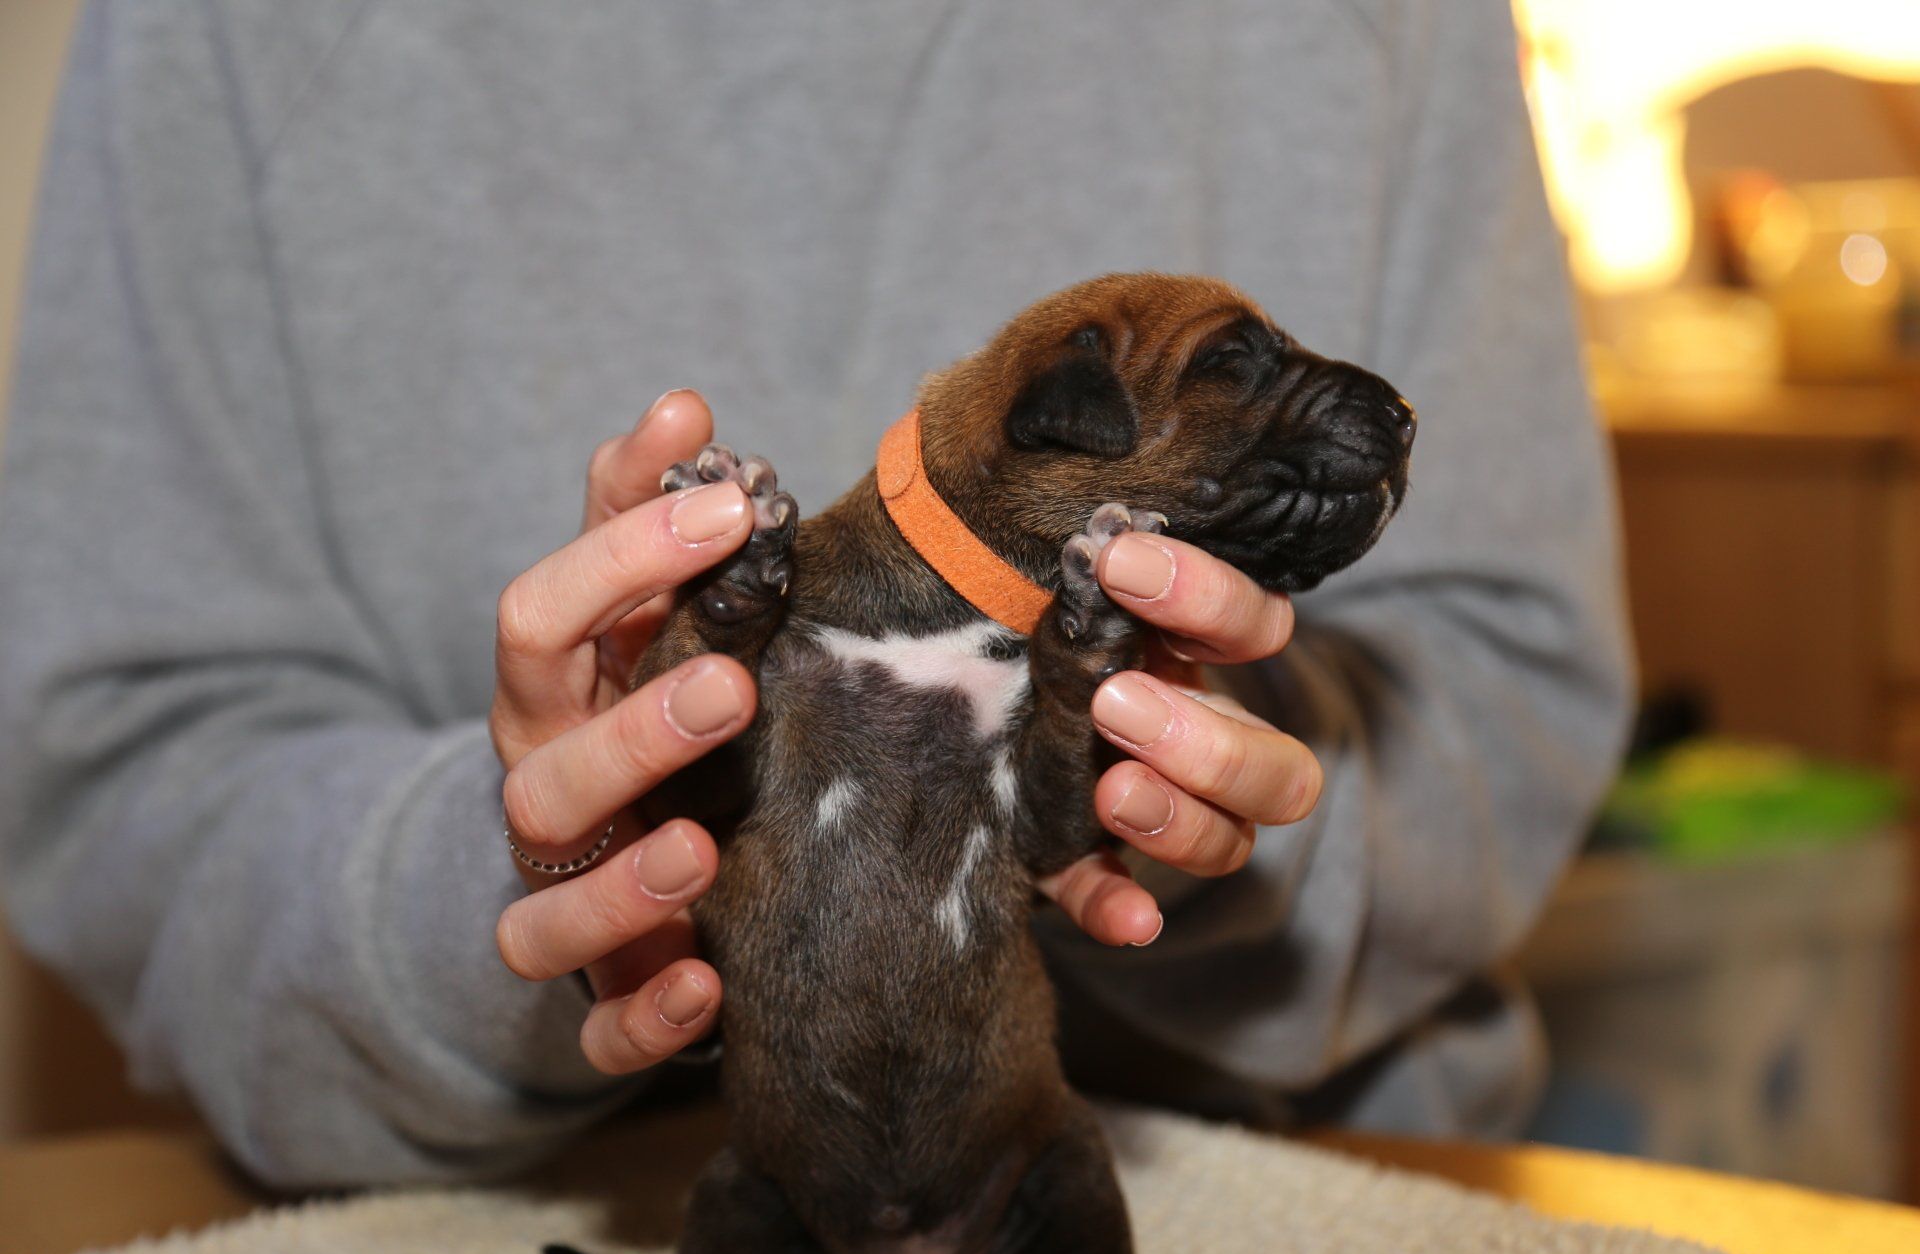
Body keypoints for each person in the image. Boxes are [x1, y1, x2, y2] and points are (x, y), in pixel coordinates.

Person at [0, 0, 1631, 1187]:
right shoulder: (233, 38)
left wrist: (1184, 786)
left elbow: (1510, 681)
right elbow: (124, 764)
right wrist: (529, 883)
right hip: (490, 1205)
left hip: (1285, 1172)